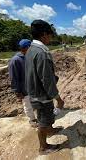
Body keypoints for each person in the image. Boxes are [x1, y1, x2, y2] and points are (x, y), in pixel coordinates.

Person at [25, 20, 65, 155]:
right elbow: (47, 80)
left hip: (35, 91)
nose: (51, 38)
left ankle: (51, 130)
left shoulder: (31, 50)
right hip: (41, 95)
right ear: (43, 35)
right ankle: (43, 147)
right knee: (42, 121)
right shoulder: (41, 53)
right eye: (50, 35)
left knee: (47, 117)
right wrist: (58, 99)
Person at [9, 39, 37, 127]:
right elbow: (13, 77)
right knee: (28, 105)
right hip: (24, 88)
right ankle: (32, 120)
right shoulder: (15, 60)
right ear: (25, 48)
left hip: (33, 86)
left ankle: (38, 117)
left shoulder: (29, 56)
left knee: (35, 103)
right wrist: (17, 91)